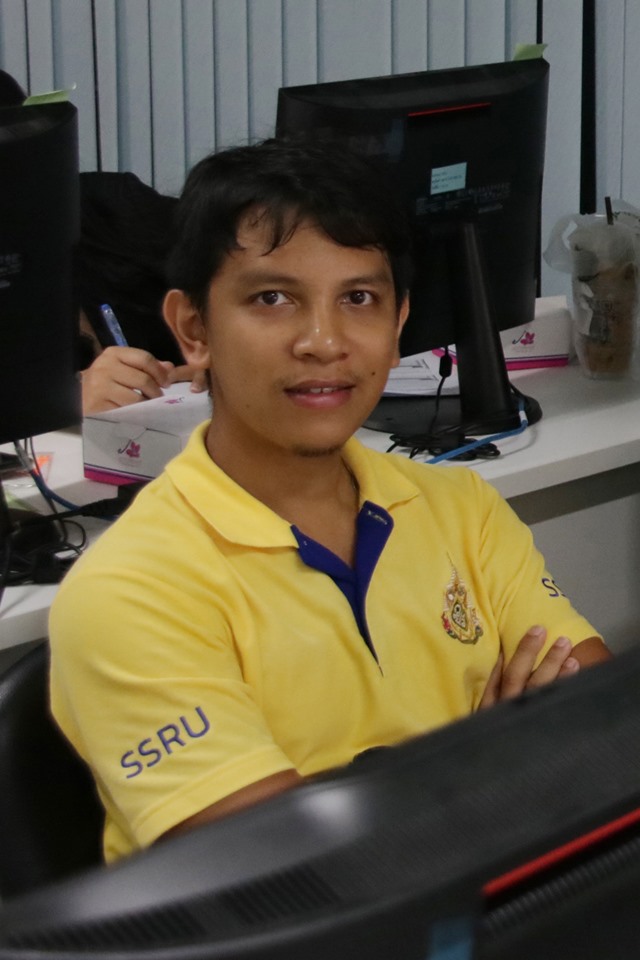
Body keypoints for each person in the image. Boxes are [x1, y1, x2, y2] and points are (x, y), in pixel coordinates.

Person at [49, 138, 611, 864]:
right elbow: (291, 868)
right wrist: (488, 764)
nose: (323, 342)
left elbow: (596, 723)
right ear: (193, 329)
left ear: (398, 322)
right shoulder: (129, 591)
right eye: (273, 299)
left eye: (358, 299)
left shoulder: (460, 506)